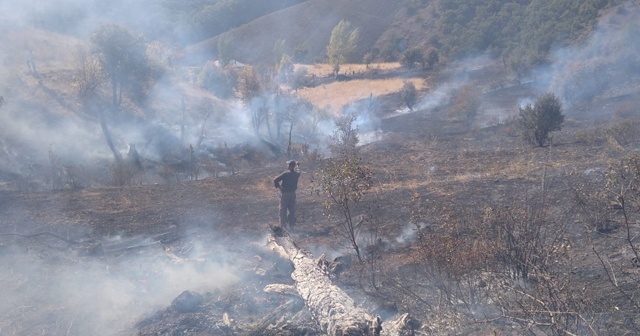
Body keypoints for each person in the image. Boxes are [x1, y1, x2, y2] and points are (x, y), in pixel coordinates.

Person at [274, 160, 301, 230]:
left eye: (288, 165)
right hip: (292, 194)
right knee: (291, 210)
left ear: (289, 166)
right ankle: (292, 227)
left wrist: (279, 187)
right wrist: (298, 165)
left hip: (285, 194)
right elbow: (298, 171)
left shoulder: (285, 174)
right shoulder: (296, 174)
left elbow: (275, 180)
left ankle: (283, 227)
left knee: (283, 210)